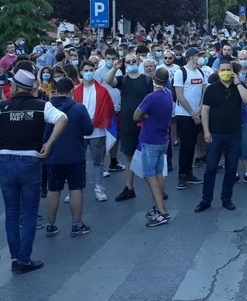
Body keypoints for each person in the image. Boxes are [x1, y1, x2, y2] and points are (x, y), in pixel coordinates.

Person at [0, 70, 68, 274]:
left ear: (14, 87)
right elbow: (63, 119)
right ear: (33, 89)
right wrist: (49, 144)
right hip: (30, 161)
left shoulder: (2, 106)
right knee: (30, 212)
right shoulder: (43, 106)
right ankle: (24, 258)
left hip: (6, 161)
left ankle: (15, 256)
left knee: (12, 212)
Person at [196, 60, 247, 213]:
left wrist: (238, 83)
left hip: (234, 133)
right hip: (215, 133)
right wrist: (206, 131)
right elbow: (205, 111)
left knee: (231, 167)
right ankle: (206, 199)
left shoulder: (239, 87)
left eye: (229, 70)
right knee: (211, 167)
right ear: (218, 72)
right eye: (223, 70)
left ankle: (226, 198)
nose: (226, 72)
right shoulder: (211, 89)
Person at [41, 77, 93, 238]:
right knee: (76, 189)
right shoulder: (79, 108)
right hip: (75, 156)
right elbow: (88, 130)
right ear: (72, 91)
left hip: (52, 156)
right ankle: (77, 225)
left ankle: (50, 224)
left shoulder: (46, 108)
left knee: (53, 190)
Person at [105, 53, 152, 201]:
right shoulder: (123, 79)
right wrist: (115, 67)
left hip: (145, 123)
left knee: (149, 156)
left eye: (133, 61)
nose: (131, 63)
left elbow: (153, 99)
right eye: (128, 62)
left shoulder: (147, 80)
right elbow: (108, 80)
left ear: (138, 62)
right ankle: (129, 187)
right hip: (127, 124)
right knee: (129, 156)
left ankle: (156, 189)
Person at [135, 68, 175, 227]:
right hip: (163, 138)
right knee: (158, 173)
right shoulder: (168, 94)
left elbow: (135, 116)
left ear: (153, 78)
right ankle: (159, 208)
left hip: (150, 139)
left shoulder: (150, 98)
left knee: (149, 174)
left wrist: (145, 114)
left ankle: (163, 212)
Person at [74, 61, 114, 203]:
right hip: (79, 131)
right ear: (81, 72)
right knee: (77, 161)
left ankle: (99, 188)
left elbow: (109, 108)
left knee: (98, 161)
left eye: (91, 69)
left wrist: (99, 119)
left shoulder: (102, 90)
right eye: (86, 70)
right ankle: (75, 190)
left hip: (98, 131)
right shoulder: (76, 91)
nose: (89, 72)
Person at [173, 48, 207, 190]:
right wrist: (192, 112)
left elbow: (204, 91)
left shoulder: (200, 72)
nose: (200, 58)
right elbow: (179, 95)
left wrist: (199, 109)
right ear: (191, 57)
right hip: (184, 114)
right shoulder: (181, 72)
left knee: (193, 144)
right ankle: (182, 175)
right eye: (198, 56)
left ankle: (189, 172)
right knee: (186, 145)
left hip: (197, 114)